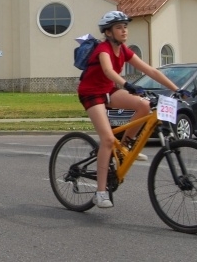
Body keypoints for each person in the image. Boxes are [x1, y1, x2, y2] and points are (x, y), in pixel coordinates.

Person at [77, 11, 184, 209]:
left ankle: (124, 149)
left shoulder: (124, 50)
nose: (124, 30)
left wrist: (178, 89)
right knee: (108, 140)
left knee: (144, 105)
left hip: (108, 90)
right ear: (108, 32)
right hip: (91, 93)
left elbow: (150, 70)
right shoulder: (103, 49)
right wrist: (128, 85)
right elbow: (108, 71)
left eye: (125, 27)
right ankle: (100, 193)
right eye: (119, 27)